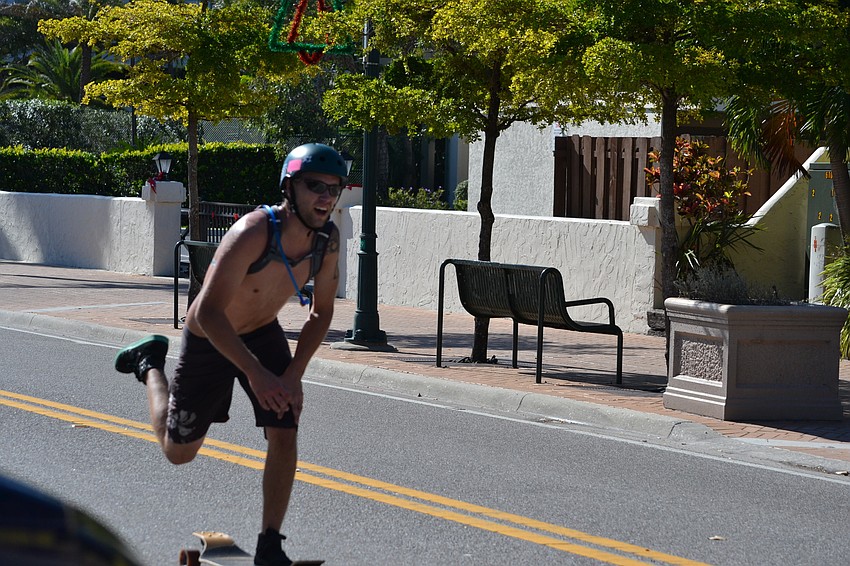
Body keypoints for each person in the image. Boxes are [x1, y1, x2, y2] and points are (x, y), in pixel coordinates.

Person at [114, 143, 348, 566]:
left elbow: (322, 312)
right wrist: (258, 375)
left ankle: (270, 544)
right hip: (211, 337)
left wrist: (293, 375)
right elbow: (206, 309)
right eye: (316, 186)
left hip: (261, 333)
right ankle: (149, 365)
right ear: (289, 187)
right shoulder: (254, 232)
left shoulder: (326, 243)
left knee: (285, 424)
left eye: (335, 188)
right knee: (178, 451)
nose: (326, 197)